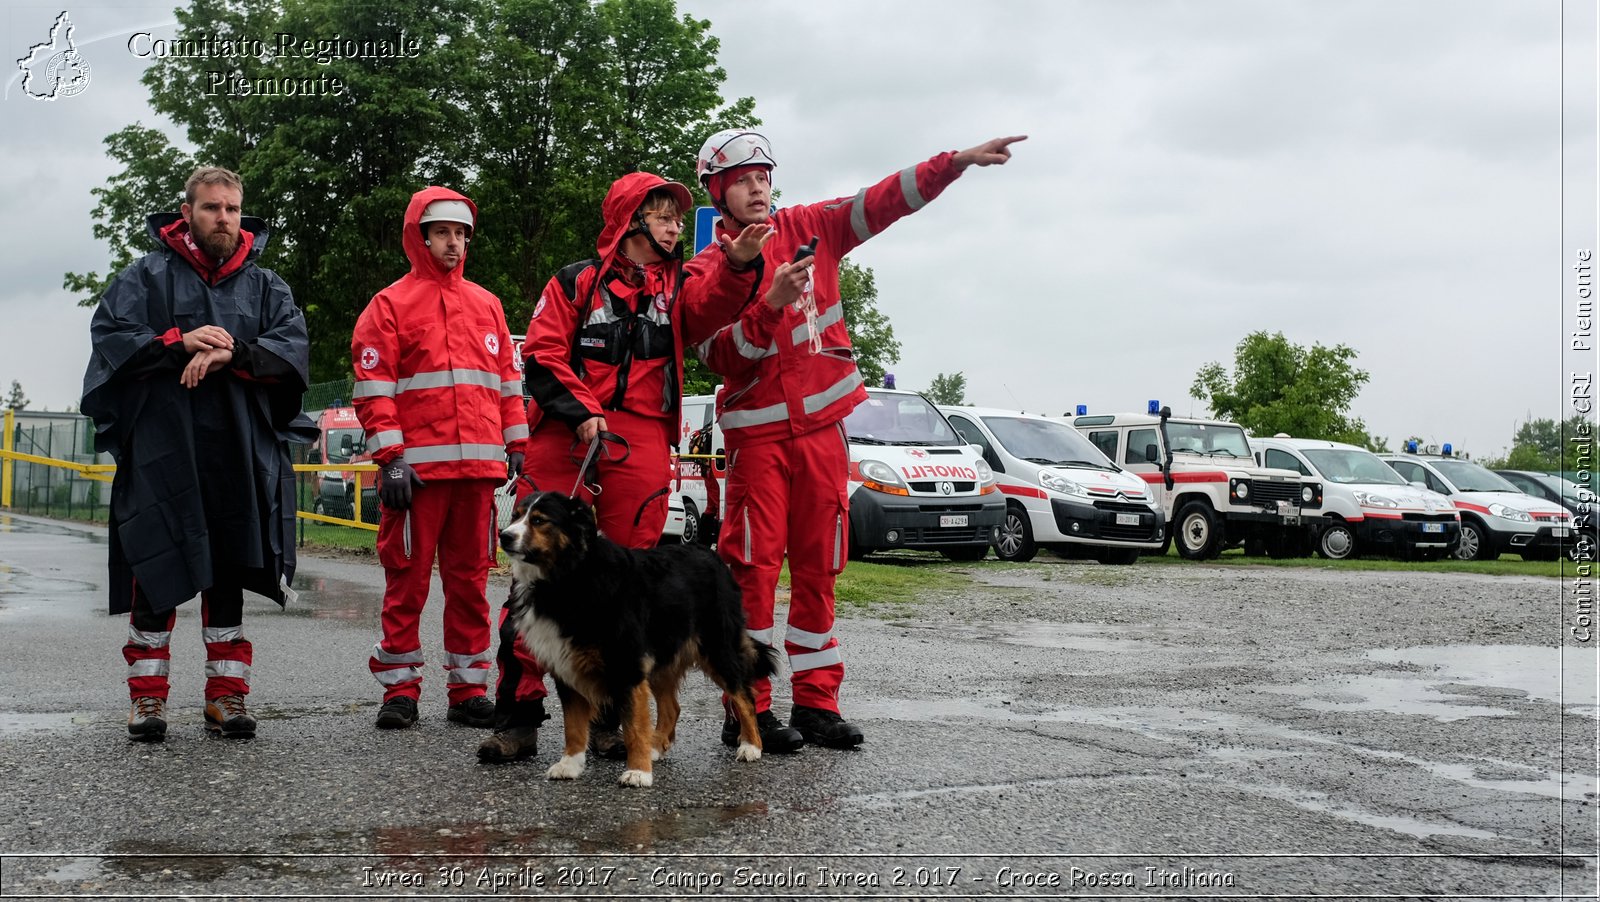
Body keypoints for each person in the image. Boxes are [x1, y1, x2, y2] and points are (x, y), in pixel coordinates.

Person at [688, 129, 1026, 749]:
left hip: (821, 437)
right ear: (719, 193)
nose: (758, 185)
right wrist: (769, 305)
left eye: (764, 174)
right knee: (753, 576)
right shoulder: (704, 272)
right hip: (758, 445)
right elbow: (720, 358)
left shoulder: (813, 225)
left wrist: (953, 164)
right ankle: (748, 710)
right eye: (742, 179)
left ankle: (816, 705)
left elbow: (882, 200)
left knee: (820, 571)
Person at [477, 171, 804, 763]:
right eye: (662, 215)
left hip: (644, 442)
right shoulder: (574, 281)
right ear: (630, 221)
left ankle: (610, 720)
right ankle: (518, 714)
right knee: (530, 579)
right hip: (566, 433)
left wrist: (740, 266)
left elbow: (711, 310)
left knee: (624, 591)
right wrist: (581, 409)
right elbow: (543, 353)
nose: (676, 225)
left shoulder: (680, 285)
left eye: (678, 217)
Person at [82, 165, 314, 742]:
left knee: (230, 566)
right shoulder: (145, 277)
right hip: (165, 453)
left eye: (232, 209)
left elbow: (290, 352)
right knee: (154, 567)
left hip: (238, 451)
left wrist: (230, 352)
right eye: (211, 208)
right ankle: (147, 702)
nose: (224, 219)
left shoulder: (266, 286)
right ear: (186, 213)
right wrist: (177, 342)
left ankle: (226, 696)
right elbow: (112, 338)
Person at [351, 187, 529, 731]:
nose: (454, 244)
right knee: (407, 583)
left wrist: (520, 446)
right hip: (417, 476)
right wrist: (391, 458)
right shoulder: (389, 305)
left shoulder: (487, 304)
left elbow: (507, 384)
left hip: (477, 477)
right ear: (421, 237)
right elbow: (374, 388)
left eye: (461, 234)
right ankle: (400, 690)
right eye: (443, 233)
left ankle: (468, 688)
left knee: (471, 584)